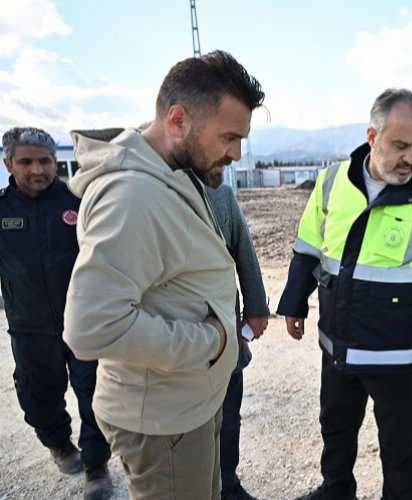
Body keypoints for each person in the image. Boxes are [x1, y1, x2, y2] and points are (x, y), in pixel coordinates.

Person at [62, 51, 265, 499]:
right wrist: (209, 343)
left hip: (186, 403)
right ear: (178, 119)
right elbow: (92, 327)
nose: (236, 153)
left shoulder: (173, 170)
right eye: (229, 137)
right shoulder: (131, 194)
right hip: (164, 420)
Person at [277, 88, 412, 500]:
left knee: (401, 449)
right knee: (335, 429)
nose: (410, 158)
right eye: (400, 145)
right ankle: (336, 491)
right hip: (338, 347)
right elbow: (309, 245)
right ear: (373, 136)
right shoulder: (332, 181)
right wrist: (295, 299)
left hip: (396, 357)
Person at [0, 127, 113, 500]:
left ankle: (97, 468)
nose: (37, 170)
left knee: (95, 397)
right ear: (8, 164)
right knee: (37, 396)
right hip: (29, 327)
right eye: (26, 161)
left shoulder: (77, 201)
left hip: (82, 323)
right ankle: (60, 444)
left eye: (45, 161)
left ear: (55, 162)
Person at [205, 184, 270, 500]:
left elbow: (244, 249)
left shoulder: (221, 195)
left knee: (229, 420)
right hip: (175, 341)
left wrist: (256, 308)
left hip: (227, 338)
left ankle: (227, 483)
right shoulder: (149, 188)